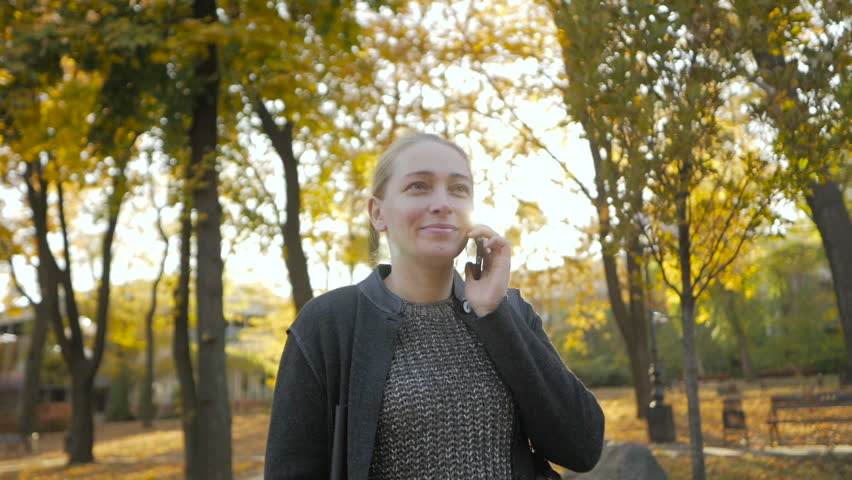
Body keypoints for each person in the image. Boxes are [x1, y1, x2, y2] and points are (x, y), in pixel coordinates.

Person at [264, 133, 605, 480]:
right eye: (419, 186)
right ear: (378, 213)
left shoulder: (510, 313)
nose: (443, 202)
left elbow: (582, 447)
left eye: (458, 189)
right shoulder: (329, 324)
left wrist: (493, 314)